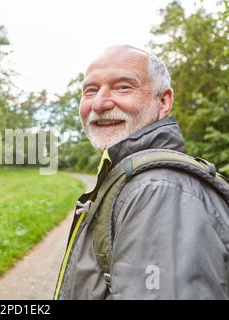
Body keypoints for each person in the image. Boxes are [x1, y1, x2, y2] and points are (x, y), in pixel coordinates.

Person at [55, 45, 229, 299]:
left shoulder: (159, 189)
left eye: (123, 87)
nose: (100, 103)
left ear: (163, 101)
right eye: (90, 90)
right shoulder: (130, 178)